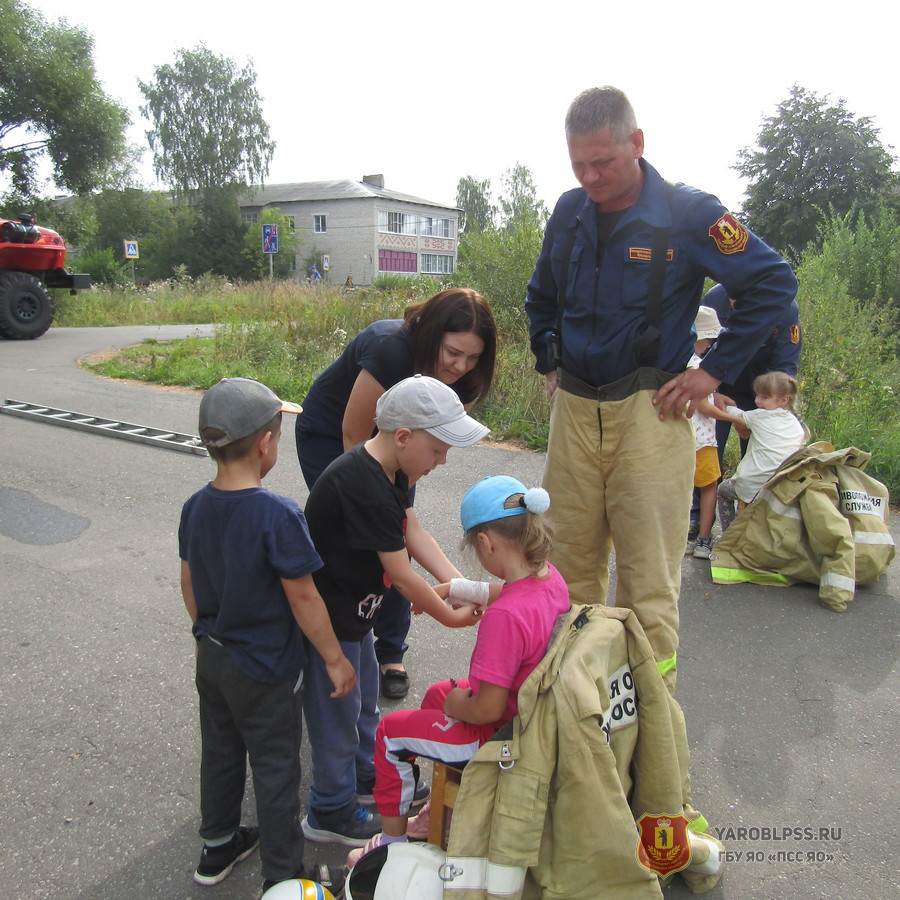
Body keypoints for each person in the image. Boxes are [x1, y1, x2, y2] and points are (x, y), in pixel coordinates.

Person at [524, 85, 797, 693]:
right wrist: (549, 360)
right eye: (579, 165)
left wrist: (713, 372)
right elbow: (540, 298)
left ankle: (649, 736)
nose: (591, 177)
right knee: (565, 579)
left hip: (651, 415)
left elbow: (774, 284)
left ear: (637, 143)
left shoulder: (691, 214)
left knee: (647, 586)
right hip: (573, 416)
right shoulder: (568, 212)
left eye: (604, 162)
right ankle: (571, 715)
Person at [178, 378, 356, 893]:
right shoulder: (278, 515)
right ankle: (283, 874)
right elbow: (304, 598)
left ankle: (217, 846)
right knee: (276, 769)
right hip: (266, 670)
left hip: (213, 657)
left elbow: (189, 579)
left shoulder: (195, 506)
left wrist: (203, 634)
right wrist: (334, 659)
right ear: (264, 444)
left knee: (221, 750)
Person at [300, 375, 490, 848]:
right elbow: (403, 576)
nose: (442, 462)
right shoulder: (361, 483)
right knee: (337, 717)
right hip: (331, 622)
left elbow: (414, 533)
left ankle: (367, 776)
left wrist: (460, 586)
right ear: (403, 437)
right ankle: (330, 809)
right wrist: (448, 614)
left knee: (364, 703)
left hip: (356, 615)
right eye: (439, 450)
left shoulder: (392, 471)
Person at [344, 474, 570, 868]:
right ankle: (440, 815)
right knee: (433, 697)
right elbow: (507, 591)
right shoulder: (550, 579)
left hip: (498, 733)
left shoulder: (505, 619)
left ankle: (391, 846)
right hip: (532, 714)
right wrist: (455, 588)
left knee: (390, 734)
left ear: (486, 542)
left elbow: (484, 709)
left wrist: (457, 701)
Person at [296, 288, 498, 700]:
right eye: (454, 352)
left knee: (395, 538)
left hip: (399, 444)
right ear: (433, 334)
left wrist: (459, 586)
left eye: (474, 357)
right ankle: (328, 644)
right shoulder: (390, 350)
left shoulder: (456, 382)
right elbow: (354, 433)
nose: (461, 366)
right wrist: (374, 496)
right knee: (367, 548)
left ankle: (388, 652)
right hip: (334, 436)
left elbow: (412, 530)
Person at [687, 282, 803, 538]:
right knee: (706, 449)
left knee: (757, 458)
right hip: (719, 387)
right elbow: (702, 345)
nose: (734, 305)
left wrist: (776, 405)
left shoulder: (784, 307)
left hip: (762, 393)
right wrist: (709, 389)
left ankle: (756, 523)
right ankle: (697, 517)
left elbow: (785, 364)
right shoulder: (715, 297)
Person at [716, 371, 809, 531]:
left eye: (764, 397)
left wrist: (721, 402)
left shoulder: (760, 416)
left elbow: (735, 414)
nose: (757, 401)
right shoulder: (797, 425)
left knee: (723, 491)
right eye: (757, 395)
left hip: (755, 483)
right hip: (781, 485)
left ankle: (728, 535)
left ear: (783, 400)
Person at [688, 307, 727, 560]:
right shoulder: (697, 366)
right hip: (701, 441)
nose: (710, 345)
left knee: (683, 489)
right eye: (709, 340)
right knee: (709, 487)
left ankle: (685, 536)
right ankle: (704, 539)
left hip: (683, 441)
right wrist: (738, 417)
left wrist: (718, 397)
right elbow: (703, 405)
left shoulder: (681, 362)